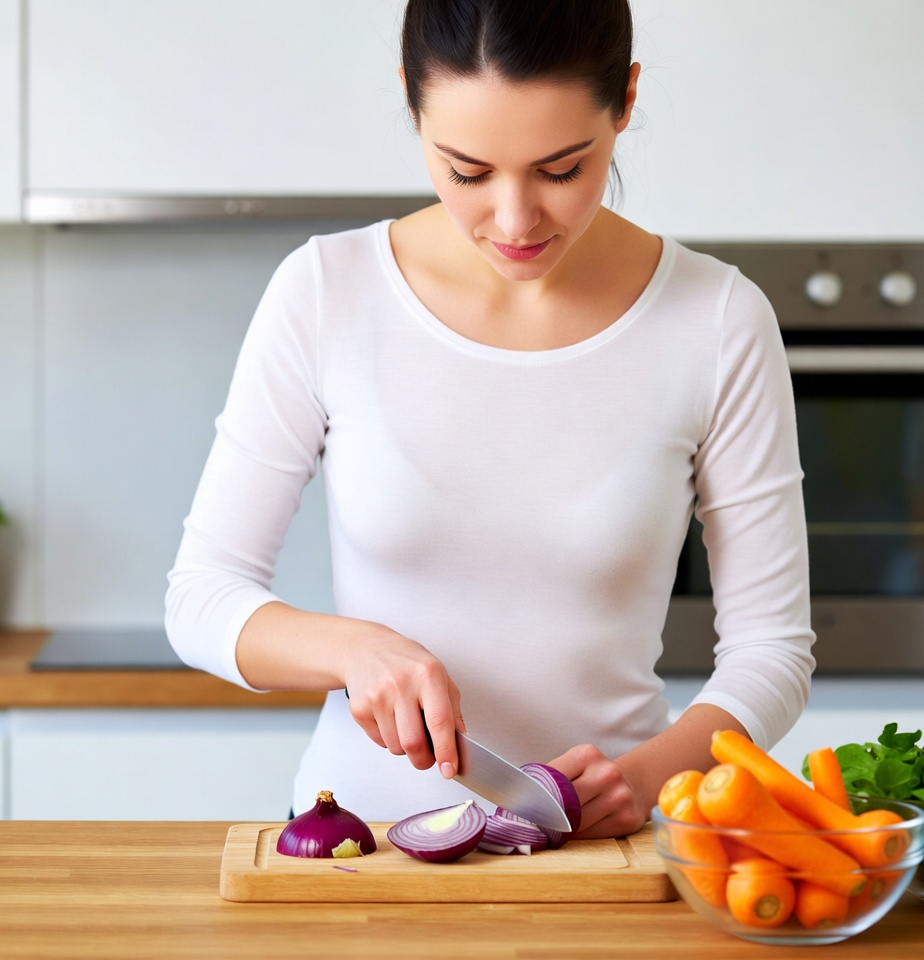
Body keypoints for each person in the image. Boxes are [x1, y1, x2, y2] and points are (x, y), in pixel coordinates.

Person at [165, 0, 815, 837]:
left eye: (561, 169)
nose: (514, 221)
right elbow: (202, 598)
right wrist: (354, 650)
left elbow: (773, 651)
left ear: (624, 102)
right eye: (467, 172)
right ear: (411, 102)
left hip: (603, 853)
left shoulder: (718, 318)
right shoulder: (327, 290)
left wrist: (648, 775)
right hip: (354, 850)